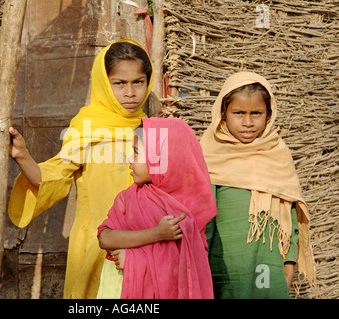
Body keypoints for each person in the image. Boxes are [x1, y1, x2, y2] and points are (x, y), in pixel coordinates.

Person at [6, 39, 154, 299]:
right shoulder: (87, 128)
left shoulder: (154, 130)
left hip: (146, 244)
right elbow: (50, 178)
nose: (130, 92)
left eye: (138, 82)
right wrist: (22, 155)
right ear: (103, 83)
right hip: (96, 242)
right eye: (119, 83)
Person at [200, 71, 315, 298]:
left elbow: (289, 213)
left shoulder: (277, 153)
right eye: (238, 113)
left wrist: (289, 264)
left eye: (257, 113)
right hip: (222, 265)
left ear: (269, 114)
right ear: (223, 113)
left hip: (268, 263)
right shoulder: (209, 153)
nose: (248, 122)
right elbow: (203, 218)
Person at [97, 117, 217, 299]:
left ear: (161, 159)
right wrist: (156, 234)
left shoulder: (187, 209)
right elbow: (105, 238)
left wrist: (133, 260)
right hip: (119, 289)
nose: (130, 159)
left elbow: (184, 268)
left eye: (136, 153)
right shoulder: (130, 198)